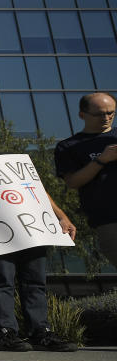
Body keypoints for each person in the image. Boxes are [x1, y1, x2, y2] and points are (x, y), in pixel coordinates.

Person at [0, 117, 77, 351]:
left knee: (35, 280)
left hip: (32, 227)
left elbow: (37, 189)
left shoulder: (13, 160)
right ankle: (6, 332)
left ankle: (40, 332)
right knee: (3, 279)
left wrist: (61, 215)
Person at [54, 92, 117, 268]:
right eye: (99, 114)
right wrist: (101, 160)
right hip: (109, 219)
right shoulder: (68, 147)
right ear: (82, 115)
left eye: (111, 112)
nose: (106, 117)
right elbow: (72, 182)